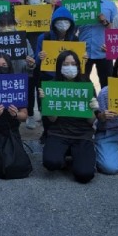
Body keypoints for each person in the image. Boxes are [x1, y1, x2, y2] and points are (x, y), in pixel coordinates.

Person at [39, 50, 99, 184]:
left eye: (73, 64)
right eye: (66, 64)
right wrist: (46, 102)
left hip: (82, 134)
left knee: (85, 175)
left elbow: (91, 122)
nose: (70, 67)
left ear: (78, 66)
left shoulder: (86, 85)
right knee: (50, 163)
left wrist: (93, 110)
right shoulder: (52, 86)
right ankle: (64, 155)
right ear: (59, 67)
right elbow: (52, 119)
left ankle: (78, 158)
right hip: (59, 132)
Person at [35, 6, 79, 139]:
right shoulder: (44, 37)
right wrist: (39, 57)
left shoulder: (75, 40)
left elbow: (78, 60)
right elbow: (36, 61)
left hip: (67, 77)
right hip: (47, 76)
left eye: (66, 21)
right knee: (46, 105)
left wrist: (84, 58)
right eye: (59, 21)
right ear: (53, 22)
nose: (63, 24)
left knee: (63, 103)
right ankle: (46, 131)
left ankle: (63, 130)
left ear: (71, 23)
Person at [76, 0, 118, 88]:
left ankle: (106, 106)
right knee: (82, 83)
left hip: (104, 51)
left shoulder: (110, 5)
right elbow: (70, 29)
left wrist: (104, 22)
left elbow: (117, 30)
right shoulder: (78, 6)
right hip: (83, 52)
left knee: (107, 85)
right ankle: (91, 104)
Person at [23, 0, 49, 129]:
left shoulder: (46, 15)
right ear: (26, 1)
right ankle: (30, 116)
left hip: (44, 57)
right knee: (29, 88)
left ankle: (43, 113)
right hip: (27, 58)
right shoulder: (22, 15)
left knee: (41, 88)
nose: (35, 1)